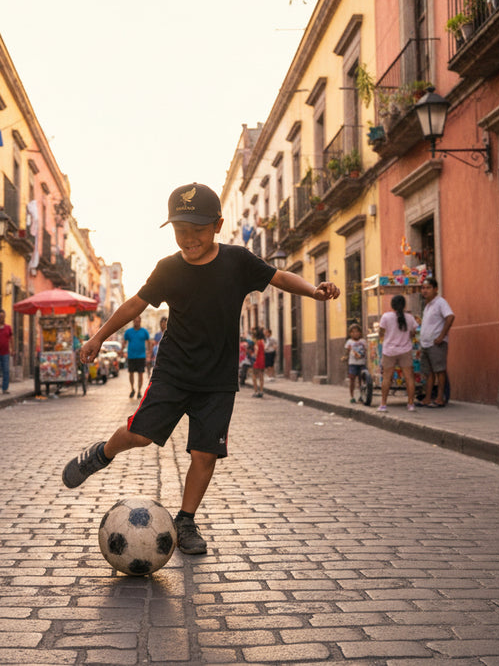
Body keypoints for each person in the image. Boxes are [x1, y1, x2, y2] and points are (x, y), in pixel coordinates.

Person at [64, 182, 340, 555]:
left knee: (205, 454)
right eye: (181, 231)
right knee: (139, 435)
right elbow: (134, 305)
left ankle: (186, 520)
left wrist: (313, 291)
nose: (189, 239)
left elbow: (279, 278)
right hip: (174, 372)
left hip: (218, 378)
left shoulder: (238, 261)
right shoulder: (168, 269)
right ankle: (101, 454)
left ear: (218, 225)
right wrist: (97, 336)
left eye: (198, 230)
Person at [377, 294, 418, 413]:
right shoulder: (410, 318)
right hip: (405, 350)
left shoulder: (386, 317)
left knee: (387, 378)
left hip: (389, 351)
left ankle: (383, 404)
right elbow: (413, 332)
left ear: (392, 305)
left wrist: (384, 337)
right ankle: (410, 404)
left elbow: (381, 332)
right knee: (409, 378)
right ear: (404, 305)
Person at [419, 277, 455, 407]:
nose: (425, 290)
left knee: (440, 371)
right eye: (423, 288)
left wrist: (441, 336)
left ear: (435, 289)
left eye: (428, 288)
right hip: (426, 344)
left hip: (436, 344)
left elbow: (450, 317)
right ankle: (428, 398)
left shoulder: (440, 302)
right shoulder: (428, 305)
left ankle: (440, 398)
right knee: (428, 373)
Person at [122, 316, 150, 399]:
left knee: (140, 374)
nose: (136, 323)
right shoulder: (128, 332)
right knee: (131, 373)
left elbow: (149, 342)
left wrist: (149, 352)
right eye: (135, 321)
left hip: (141, 356)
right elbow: (124, 342)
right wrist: (121, 351)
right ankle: (132, 389)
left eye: (138, 321)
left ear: (140, 322)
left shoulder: (144, 332)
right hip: (131, 356)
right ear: (133, 322)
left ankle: (139, 391)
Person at [343, 322, 367, 403]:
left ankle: (361, 395)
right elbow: (346, 352)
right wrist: (345, 357)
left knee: (362, 380)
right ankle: (352, 396)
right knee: (352, 380)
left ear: (360, 333)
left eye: (357, 331)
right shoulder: (349, 342)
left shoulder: (363, 341)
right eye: (353, 332)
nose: (355, 333)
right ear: (350, 333)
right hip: (353, 363)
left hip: (362, 363)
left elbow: (367, 350)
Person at [251, 326, 266, 397]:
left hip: (257, 361)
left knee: (254, 376)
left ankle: (256, 391)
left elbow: (256, 353)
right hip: (262, 360)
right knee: (261, 376)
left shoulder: (257, 343)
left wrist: (252, 356)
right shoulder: (263, 342)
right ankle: (261, 391)